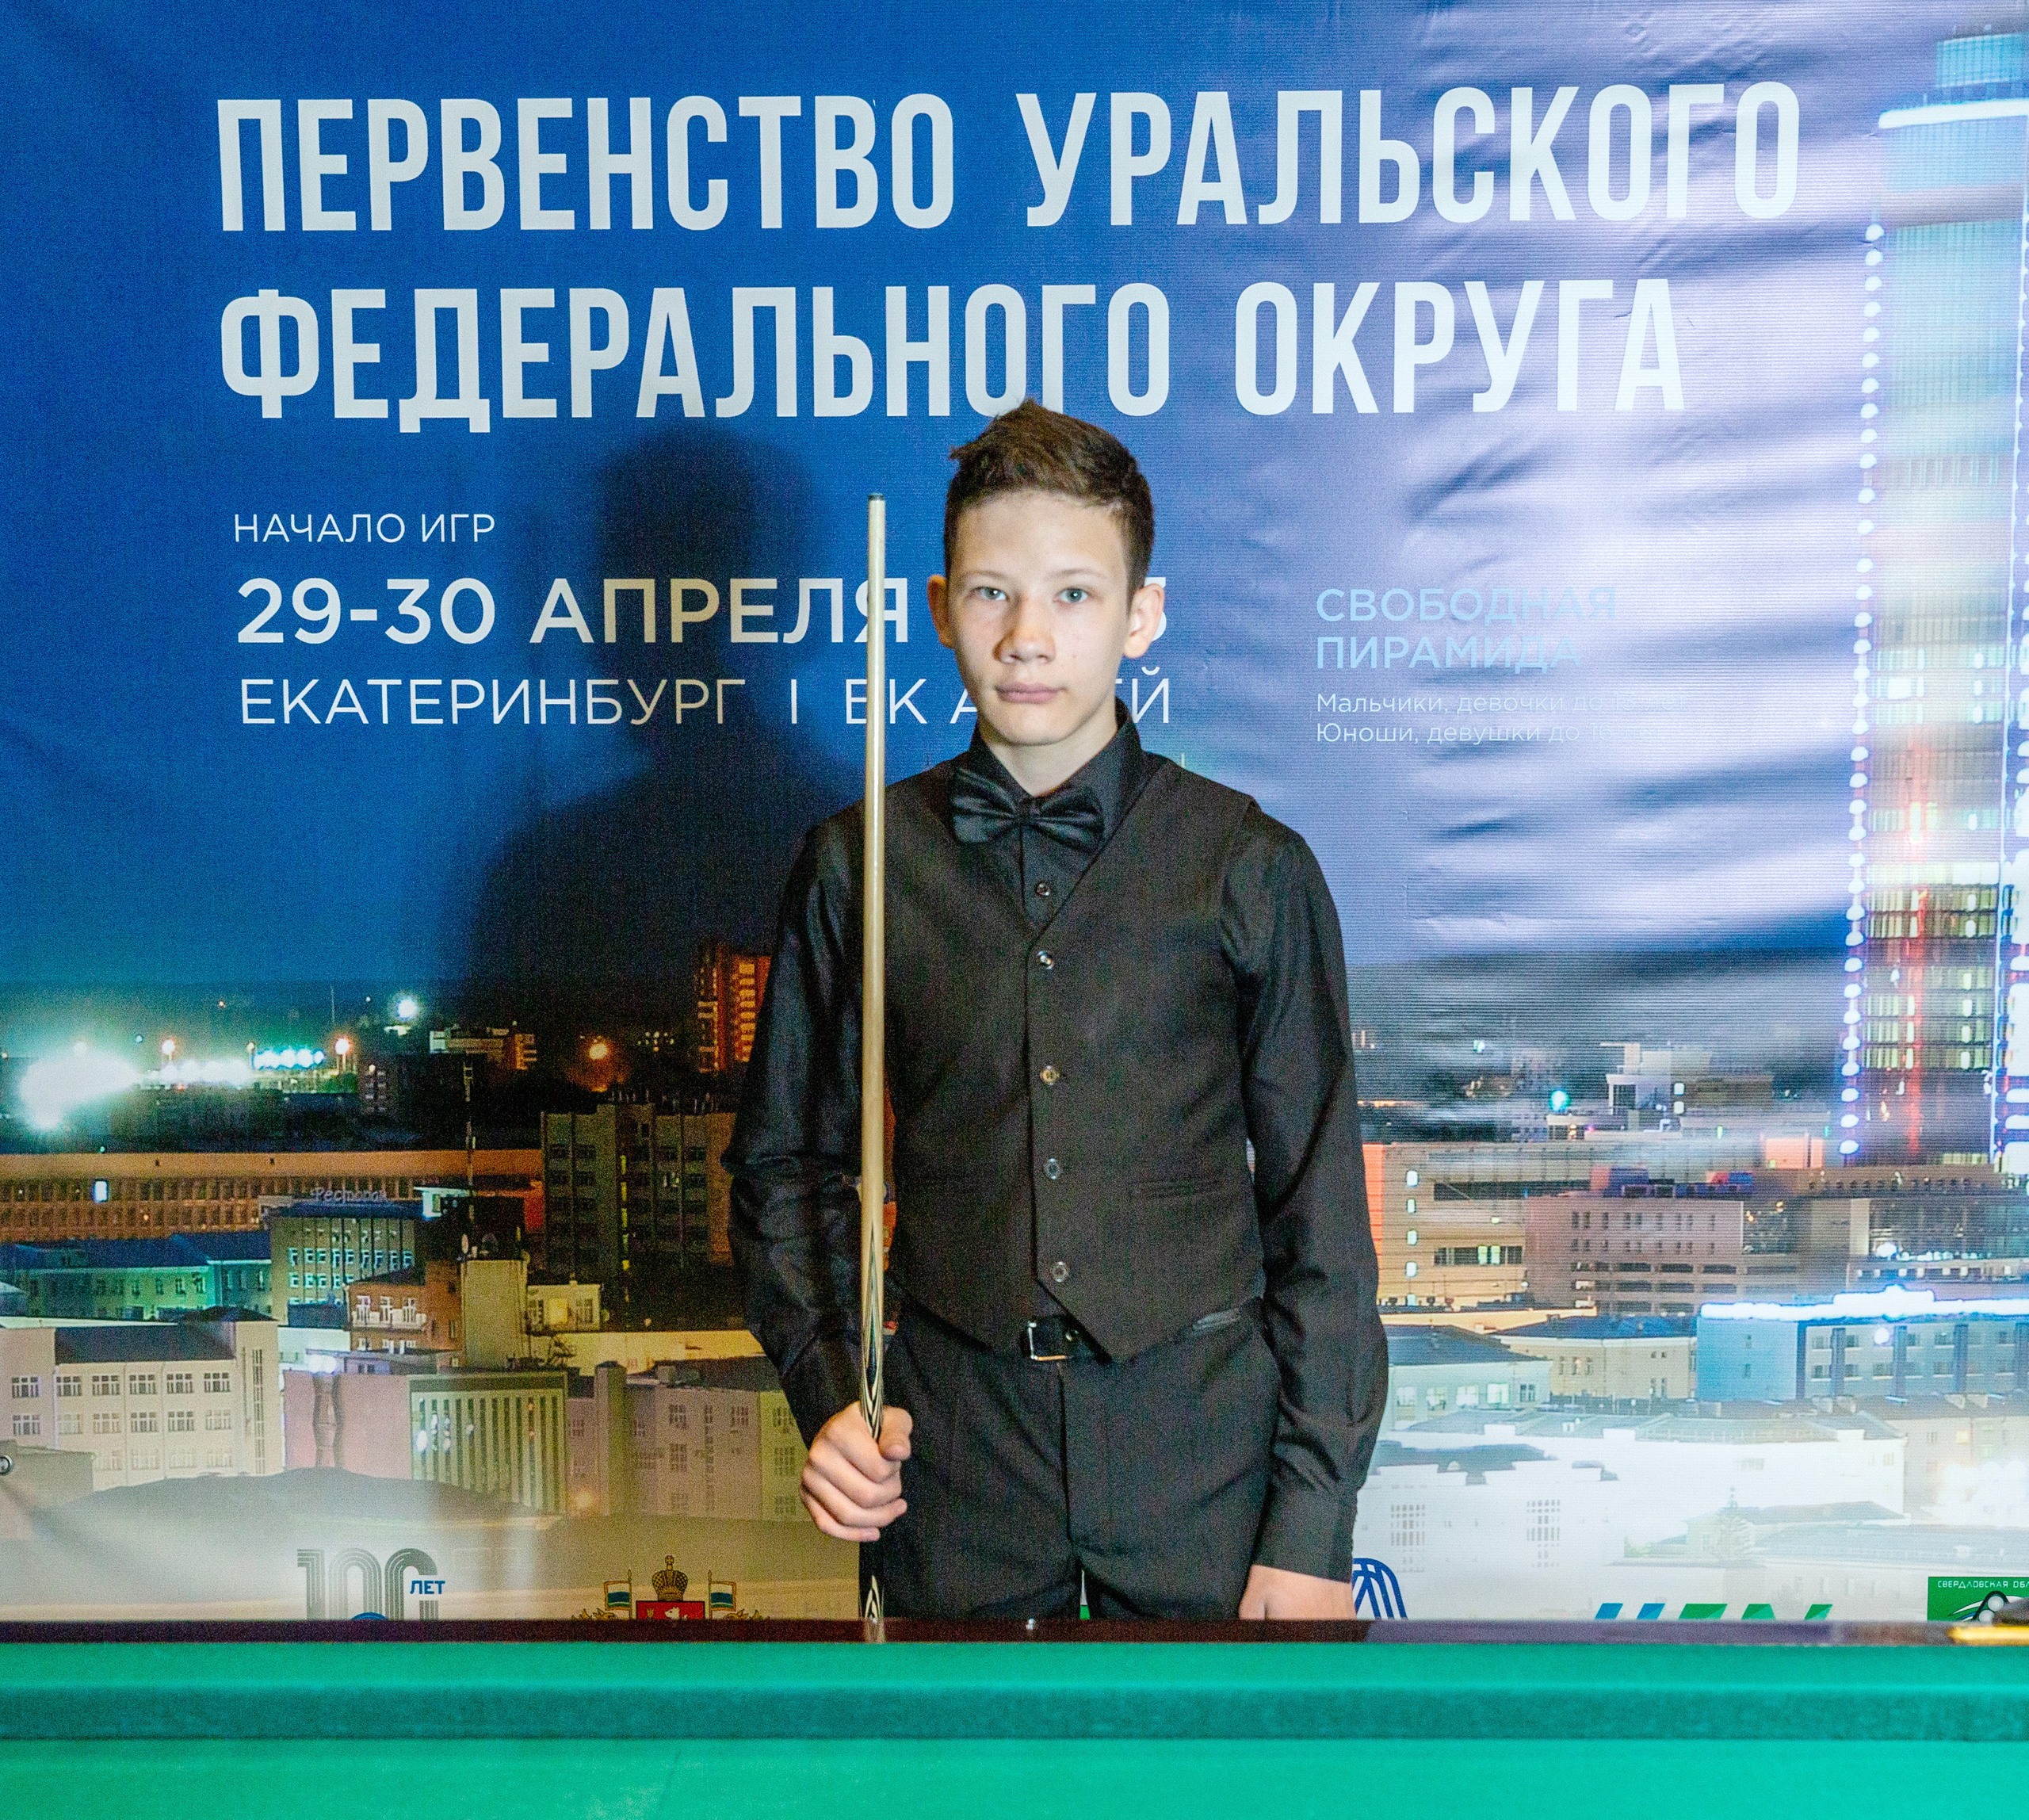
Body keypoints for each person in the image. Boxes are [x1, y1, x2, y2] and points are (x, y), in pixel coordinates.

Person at [728, 400, 1386, 1619]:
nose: (1029, 636)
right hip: (949, 1467)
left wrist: (1313, 1523)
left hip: (1206, 1466)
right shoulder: (856, 864)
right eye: (993, 593)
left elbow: (1323, 1225)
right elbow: (786, 1173)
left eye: (1075, 595)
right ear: (940, 609)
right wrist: (829, 1397)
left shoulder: (1254, 867)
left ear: (1143, 615)